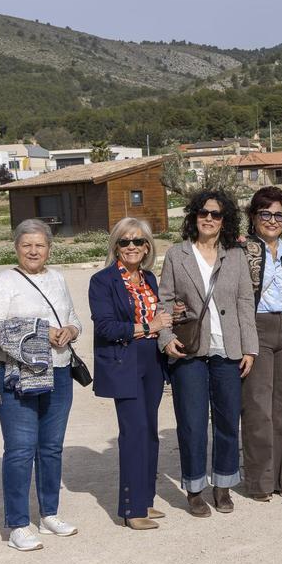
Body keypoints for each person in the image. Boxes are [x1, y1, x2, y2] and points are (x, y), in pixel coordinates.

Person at [0, 218, 84, 551]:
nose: (33, 251)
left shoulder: (56, 278)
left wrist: (70, 330)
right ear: (16, 247)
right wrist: (42, 333)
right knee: (20, 450)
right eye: (26, 245)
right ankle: (17, 523)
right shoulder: (3, 281)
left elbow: (74, 319)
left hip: (59, 370)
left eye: (39, 245)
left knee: (51, 447)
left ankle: (49, 513)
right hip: (16, 375)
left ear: (50, 249)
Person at [157, 191, 257, 517]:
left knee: (227, 421)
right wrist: (166, 337)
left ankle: (223, 485)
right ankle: (195, 488)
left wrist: (249, 347)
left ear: (224, 219)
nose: (209, 218)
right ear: (193, 216)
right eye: (203, 213)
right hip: (190, 350)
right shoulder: (177, 255)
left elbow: (245, 302)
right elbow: (166, 301)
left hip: (228, 350)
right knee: (192, 423)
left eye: (215, 214)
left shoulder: (236, 255)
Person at [89, 218, 170, 530]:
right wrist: (150, 326)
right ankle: (131, 508)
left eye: (138, 241)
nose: (132, 247)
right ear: (116, 247)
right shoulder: (103, 281)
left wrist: (166, 319)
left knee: (149, 430)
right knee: (133, 432)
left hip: (151, 360)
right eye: (125, 242)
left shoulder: (149, 277)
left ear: (148, 246)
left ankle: (145, 500)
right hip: (124, 360)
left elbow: (157, 318)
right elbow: (107, 327)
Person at [241, 187, 282, 501]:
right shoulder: (241, 249)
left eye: (278, 215)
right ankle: (259, 480)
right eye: (265, 214)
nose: (272, 220)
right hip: (257, 328)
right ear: (254, 217)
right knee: (258, 407)